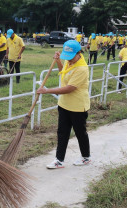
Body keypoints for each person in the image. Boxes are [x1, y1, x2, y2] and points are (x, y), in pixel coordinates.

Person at [36, 40, 91, 169]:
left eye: (71, 58)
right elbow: (64, 74)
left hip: (77, 106)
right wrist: (59, 61)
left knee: (80, 132)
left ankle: (85, 157)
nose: (69, 60)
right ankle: (59, 160)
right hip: (64, 104)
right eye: (67, 58)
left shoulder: (82, 68)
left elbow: (69, 88)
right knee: (62, 132)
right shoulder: (69, 61)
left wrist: (47, 91)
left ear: (79, 54)